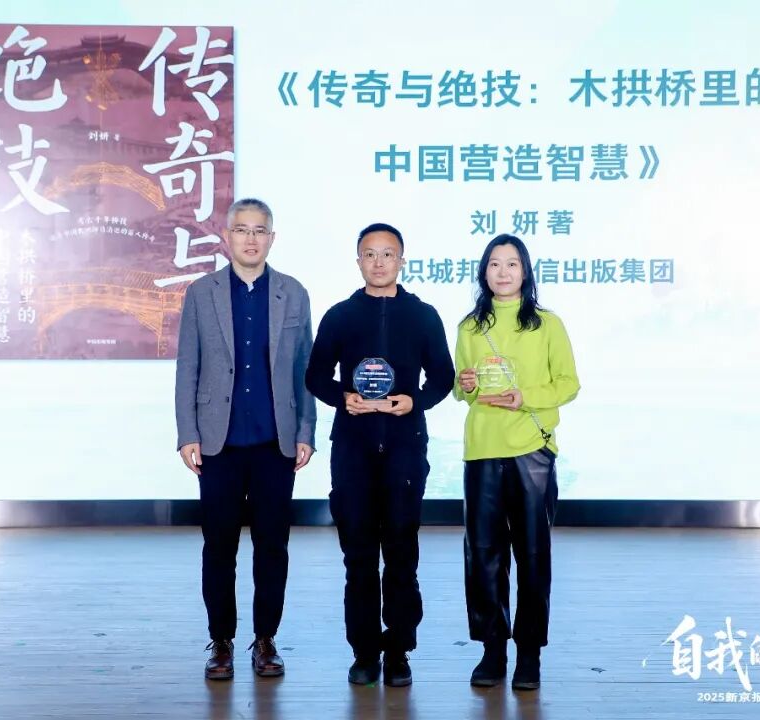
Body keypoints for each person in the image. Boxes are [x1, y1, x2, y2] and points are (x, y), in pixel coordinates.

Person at [305, 222, 455, 687]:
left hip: (405, 449)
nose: (379, 262)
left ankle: (400, 650)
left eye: (388, 254)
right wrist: (342, 398)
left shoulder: (423, 315)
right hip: (353, 449)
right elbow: (315, 376)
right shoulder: (340, 316)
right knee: (359, 555)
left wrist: (416, 401)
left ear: (402, 260)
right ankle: (365, 652)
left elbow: (444, 377)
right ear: (358, 261)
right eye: (369, 254)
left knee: (402, 552)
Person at [175, 198, 317, 680]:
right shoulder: (202, 293)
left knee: (273, 545)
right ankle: (221, 641)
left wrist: (306, 430)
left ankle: (266, 639)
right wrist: (187, 432)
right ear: (227, 237)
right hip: (218, 442)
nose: (251, 239)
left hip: (276, 442)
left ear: (271, 238)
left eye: (260, 231)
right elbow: (188, 366)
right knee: (219, 546)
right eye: (242, 230)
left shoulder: (293, 293)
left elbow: (305, 369)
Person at [453, 233, 580, 691]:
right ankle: (492, 650)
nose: (502, 272)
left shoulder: (547, 324)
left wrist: (526, 397)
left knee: (532, 554)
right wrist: (466, 383)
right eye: (494, 264)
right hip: (483, 449)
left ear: (525, 271)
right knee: (483, 555)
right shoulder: (470, 327)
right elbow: (461, 389)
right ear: (483, 272)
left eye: (512, 264)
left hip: (531, 450)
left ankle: (529, 653)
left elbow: (568, 383)